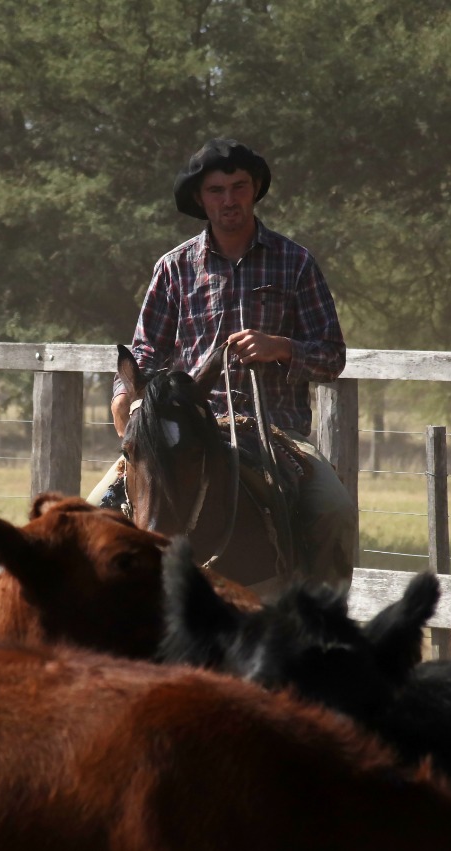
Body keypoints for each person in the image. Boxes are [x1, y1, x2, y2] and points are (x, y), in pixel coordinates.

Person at [95, 138, 356, 586]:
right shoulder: (174, 268)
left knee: (333, 508)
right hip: (187, 428)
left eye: (239, 187)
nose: (229, 199)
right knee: (94, 513)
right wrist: (125, 394)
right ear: (200, 199)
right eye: (217, 190)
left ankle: (323, 623)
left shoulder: (296, 264)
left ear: (254, 190)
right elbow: (145, 351)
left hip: (275, 431)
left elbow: (332, 355)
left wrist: (284, 347)